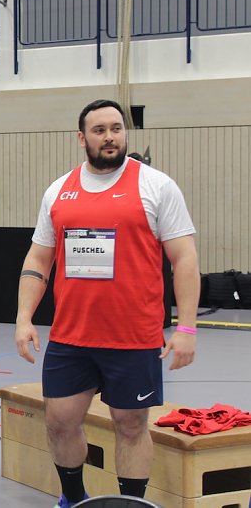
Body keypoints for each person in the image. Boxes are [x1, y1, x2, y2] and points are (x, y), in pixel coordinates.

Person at [14, 99, 199, 508]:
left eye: (116, 128)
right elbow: (39, 258)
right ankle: (75, 499)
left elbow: (184, 258)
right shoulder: (58, 190)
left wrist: (186, 327)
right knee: (61, 422)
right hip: (71, 336)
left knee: (130, 425)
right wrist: (24, 317)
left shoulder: (156, 185)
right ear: (82, 138)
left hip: (133, 337)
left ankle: (130, 504)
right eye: (99, 130)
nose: (110, 136)